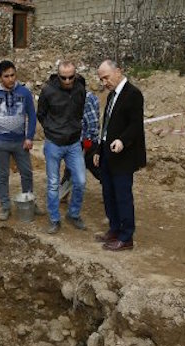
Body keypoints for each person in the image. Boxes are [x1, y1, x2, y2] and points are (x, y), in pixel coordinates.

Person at [93, 59, 147, 251]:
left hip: (124, 156)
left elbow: (135, 125)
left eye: (106, 77)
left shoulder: (133, 94)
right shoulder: (111, 96)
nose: (104, 82)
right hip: (108, 154)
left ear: (118, 72)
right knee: (108, 194)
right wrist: (99, 150)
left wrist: (122, 140)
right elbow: (106, 127)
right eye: (101, 79)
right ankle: (114, 229)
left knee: (122, 196)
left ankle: (126, 237)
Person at [0, 60, 40, 221]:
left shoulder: (25, 93)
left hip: (20, 142)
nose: (10, 79)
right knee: (2, 176)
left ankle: (29, 202)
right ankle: (5, 206)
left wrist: (29, 137)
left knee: (27, 173)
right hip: (0, 142)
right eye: (6, 76)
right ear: (0, 77)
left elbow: (32, 116)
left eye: (13, 75)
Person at [37, 60, 88, 234]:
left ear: (76, 75)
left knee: (80, 181)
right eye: (63, 78)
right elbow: (41, 114)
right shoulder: (48, 91)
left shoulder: (80, 88)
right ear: (57, 75)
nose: (67, 81)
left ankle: (73, 214)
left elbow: (80, 110)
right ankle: (54, 219)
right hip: (54, 144)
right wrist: (52, 129)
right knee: (52, 184)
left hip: (74, 143)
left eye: (70, 77)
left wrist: (74, 127)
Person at [60, 89, 101, 201]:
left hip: (86, 142)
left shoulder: (85, 99)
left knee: (96, 168)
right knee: (70, 168)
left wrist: (88, 142)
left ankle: (111, 190)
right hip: (78, 141)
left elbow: (93, 123)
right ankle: (63, 193)